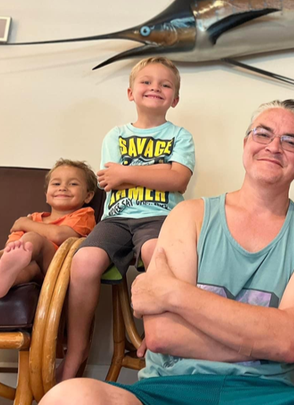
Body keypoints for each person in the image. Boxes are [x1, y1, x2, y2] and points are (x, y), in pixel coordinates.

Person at [41, 99, 294, 405]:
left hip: (270, 396)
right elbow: (162, 335)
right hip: (168, 391)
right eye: (263, 133)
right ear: (245, 144)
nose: (273, 146)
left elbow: (290, 342)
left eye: (291, 141)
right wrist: (278, 340)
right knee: (69, 396)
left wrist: (175, 294)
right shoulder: (189, 216)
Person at [58, 56, 195, 381]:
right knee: (84, 261)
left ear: (175, 99)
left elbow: (178, 180)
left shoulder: (180, 135)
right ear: (131, 93)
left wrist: (128, 172)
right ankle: (77, 350)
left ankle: (157, 334)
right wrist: (158, 172)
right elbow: (109, 180)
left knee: (156, 254)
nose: (155, 88)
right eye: (146, 82)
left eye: (165, 84)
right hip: (116, 220)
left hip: (161, 217)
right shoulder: (115, 135)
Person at [0, 159, 97, 298]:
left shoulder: (84, 215)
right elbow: (13, 244)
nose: (62, 187)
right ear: (46, 195)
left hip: (59, 270)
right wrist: (12, 250)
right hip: (35, 269)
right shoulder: (33, 218)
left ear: (88, 196)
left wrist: (25, 224)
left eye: (73, 184)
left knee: (31, 239)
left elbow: (59, 235)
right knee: (26, 268)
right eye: (56, 183)